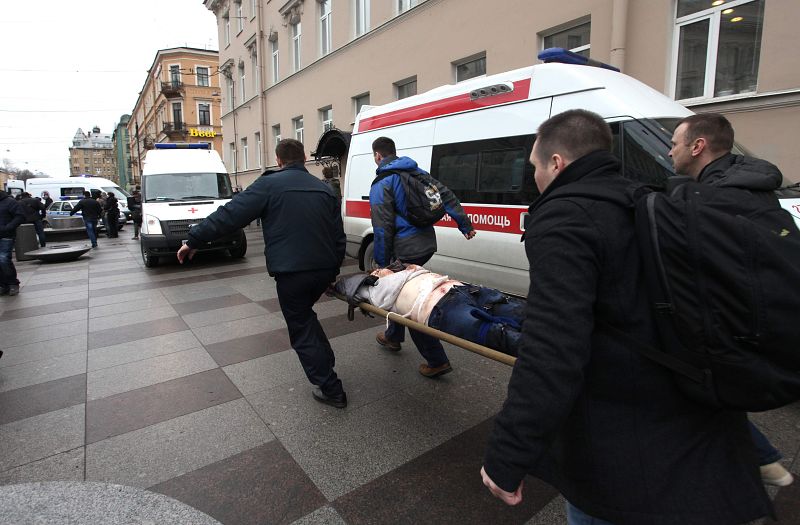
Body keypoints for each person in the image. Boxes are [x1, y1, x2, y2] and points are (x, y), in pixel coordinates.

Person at [480, 109, 771, 524]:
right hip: (698, 428)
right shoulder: (646, 198)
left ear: (557, 163)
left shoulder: (565, 217)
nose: (535, 178)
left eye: (535, 168)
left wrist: (508, 452)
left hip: (623, 449)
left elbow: (553, 348)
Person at [669, 112, 794, 488]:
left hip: (737, 322)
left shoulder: (715, 199)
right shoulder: (751, 185)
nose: (670, 149)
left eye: (675, 142)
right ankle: (759, 459)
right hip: (759, 319)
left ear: (697, 146)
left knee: (688, 381)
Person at [177, 138, 348, 408]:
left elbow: (230, 214)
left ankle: (330, 388)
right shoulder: (324, 189)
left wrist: (194, 239)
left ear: (278, 161)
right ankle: (325, 364)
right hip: (323, 268)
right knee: (306, 317)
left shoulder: (268, 184)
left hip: (292, 272)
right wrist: (331, 269)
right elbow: (339, 237)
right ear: (304, 159)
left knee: (301, 325)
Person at [369, 136, 476, 378]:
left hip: (405, 248)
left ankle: (436, 359)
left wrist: (383, 263)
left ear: (377, 156)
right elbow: (447, 196)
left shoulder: (383, 182)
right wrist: (464, 224)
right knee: (400, 291)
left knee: (408, 299)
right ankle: (392, 337)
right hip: (426, 243)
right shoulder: (417, 172)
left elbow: (382, 227)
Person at [334, 263, 524, 356]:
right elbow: (348, 287)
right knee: (497, 335)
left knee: (523, 312)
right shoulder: (375, 289)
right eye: (375, 272)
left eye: (379, 268)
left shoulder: (410, 269)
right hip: (440, 308)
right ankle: (549, 359)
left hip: (463, 289)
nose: (378, 270)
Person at [0, 189, 25, 296]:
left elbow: (20, 216)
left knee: (4, 259)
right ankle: (3, 285)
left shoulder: (9, 201)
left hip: (6, 235)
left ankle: (12, 283)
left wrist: (8, 227)